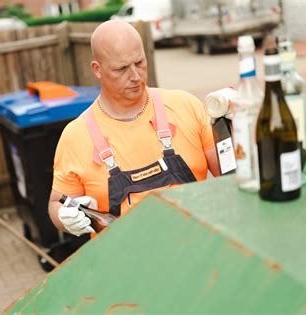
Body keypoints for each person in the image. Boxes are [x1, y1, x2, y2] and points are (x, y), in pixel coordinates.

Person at [48, 20, 220, 236]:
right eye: (121, 69)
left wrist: (234, 128)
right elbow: (56, 203)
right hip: (124, 264)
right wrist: (65, 219)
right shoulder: (76, 136)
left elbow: (229, 174)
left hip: (199, 249)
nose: (135, 76)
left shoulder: (185, 106)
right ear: (97, 70)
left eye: (139, 62)